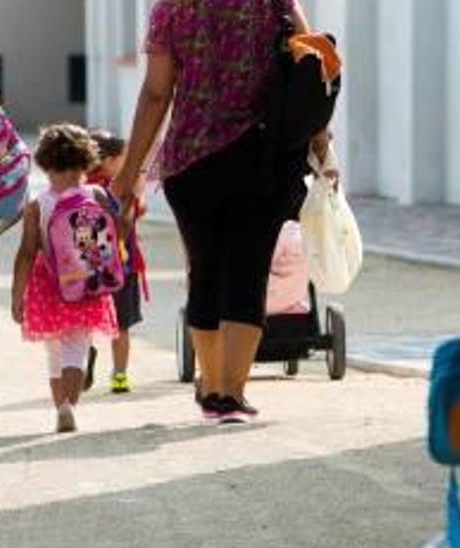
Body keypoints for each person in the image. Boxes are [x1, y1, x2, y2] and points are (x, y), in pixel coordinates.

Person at [111, 0, 323, 423]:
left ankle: (211, 388)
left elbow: (156, 92)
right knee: (248, 272)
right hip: (262, 155)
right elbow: (311, 64)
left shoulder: (169, 9)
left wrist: (129, 171)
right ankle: (230, 396)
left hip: (189, 163)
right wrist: (319, 140)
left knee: (205, 272)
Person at [12, 125, 121, 433]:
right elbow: (115, 233)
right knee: (77, 348)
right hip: (87, 283)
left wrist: (16, 295)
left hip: (49, 286)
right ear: (87, 160)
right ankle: (70, 407)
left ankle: (60, 406)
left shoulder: (38, 204)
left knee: (54, 352)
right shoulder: (96, 194)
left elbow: (26, 253)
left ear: (44, 164)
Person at [87, 131, 144, 394]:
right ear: (109, 160)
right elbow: (126, 223)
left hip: (87, 269)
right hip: (122, 267)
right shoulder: (119, 189)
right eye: (124, 158)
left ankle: (81, 361)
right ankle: (119, 375)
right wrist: (135, 195)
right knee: (121, 327)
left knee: (85, 322)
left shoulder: (82, 186)